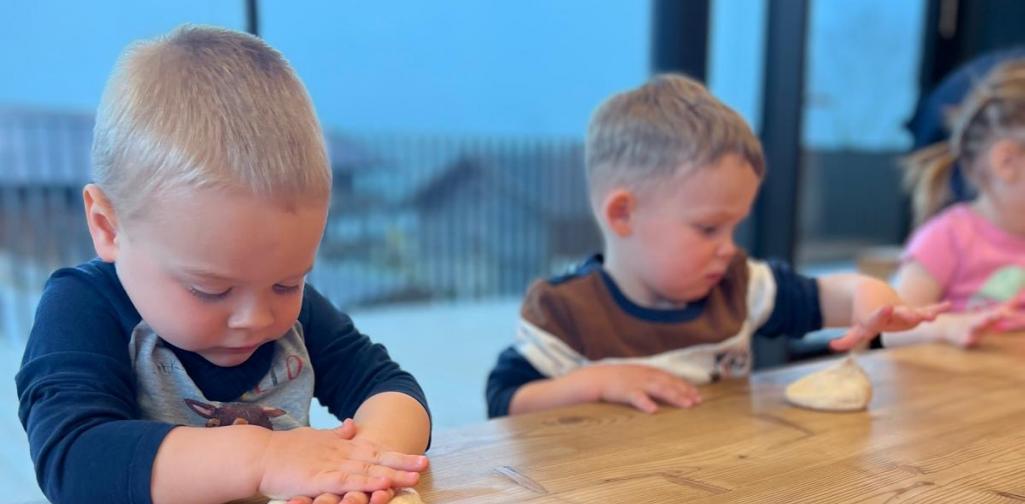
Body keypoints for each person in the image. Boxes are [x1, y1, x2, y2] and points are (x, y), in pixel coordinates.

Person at [16, 26, 430, 504]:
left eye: (288, 282)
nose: (257, 318)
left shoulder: (287, 312)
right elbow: (73, 460)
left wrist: (367, 464)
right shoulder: (84, 307)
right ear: (109, 227)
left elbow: (391, 387)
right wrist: (263, 458)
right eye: (209, 290)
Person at [485, 74, 945, 418]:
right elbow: (505, 402)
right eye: (708, 229)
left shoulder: (737, 286)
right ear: (623, 214)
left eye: (733, 228)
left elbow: (830, 297)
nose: (729, 249)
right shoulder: (565, 311)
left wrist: (873, 299)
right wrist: (597, 382)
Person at [886, 60, 1025, 348]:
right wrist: (949, 328)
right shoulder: (948, 237)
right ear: (1007, 162)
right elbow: (891, 328)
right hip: (954, 389)